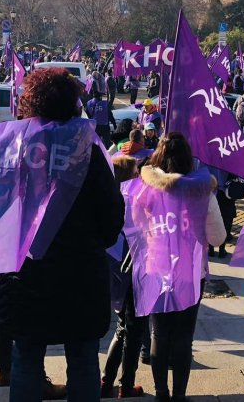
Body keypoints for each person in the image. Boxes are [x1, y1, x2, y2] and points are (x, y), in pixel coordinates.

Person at [0, 68, 124, 400]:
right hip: (82, 276)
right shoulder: (89, 152)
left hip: (25, 274)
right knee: (84, 361)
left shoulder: (10, 149)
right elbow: (111, 217)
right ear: (74, 104)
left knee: (27, 360)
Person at [123, 132, 226, 399]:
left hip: (156, 267)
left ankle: (161, 393)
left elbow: (135, 226)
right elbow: (218, 237)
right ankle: (179, 395)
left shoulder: (144, 190)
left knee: (159, 333)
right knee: (183, 337)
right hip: (190, 273)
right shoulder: (202, 190)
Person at [101, 155, 147, 399]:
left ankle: (107, 382)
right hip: (135, 272)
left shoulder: (108, 199)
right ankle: (126, 385)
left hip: (115, 273)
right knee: (135, 330)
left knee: (122, 329)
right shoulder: (133, 199)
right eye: (136, 172)